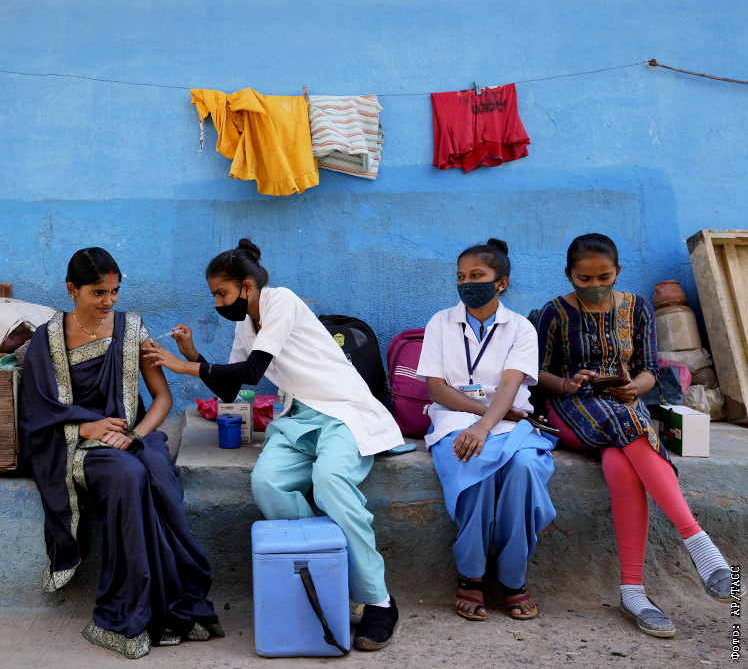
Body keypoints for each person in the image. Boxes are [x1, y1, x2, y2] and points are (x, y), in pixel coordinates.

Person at [144, 238, 404, 652]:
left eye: (221, 293)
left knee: (330, 480)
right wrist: (192, 354)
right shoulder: (244, 324)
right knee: (267, 483)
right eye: (214, 295)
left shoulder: (282, 301)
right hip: (298, 417)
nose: (218, 302)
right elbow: (231, 387)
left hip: (344, 412)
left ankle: (378, 599)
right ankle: (327, 571)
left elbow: (253, 369)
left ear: (247, 287)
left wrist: (184, 366)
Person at [18, 248, 221, 660]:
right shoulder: (47, 338)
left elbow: (162, 398)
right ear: (72, 290)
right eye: (98, 292)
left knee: (155, 470)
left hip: (132, 435)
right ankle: (123, 611)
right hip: (75, 444)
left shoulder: (132, 329)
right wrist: (85, 427)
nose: (108, 301)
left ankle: (176, 603)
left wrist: (134, 435)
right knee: (129, 475)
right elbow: (34, 412)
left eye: (114, 291)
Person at [536, 233, 733, 638]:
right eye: (584, 279)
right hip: (571, 406)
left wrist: (634, 388)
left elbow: (649, 370)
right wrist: (568, 383)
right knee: (629, 428)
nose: (594, 285)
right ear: (569, 274)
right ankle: (699, 544)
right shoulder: (554, 313)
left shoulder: (639, 308)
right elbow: (536, 374)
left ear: (618, 272)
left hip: (624, 406)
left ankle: (633, 592)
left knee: (621, 463)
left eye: (604, 277)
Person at [416, 239, 556, 622]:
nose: (467, 283)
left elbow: (510, 384)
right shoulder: (440, 322)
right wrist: (483, 419)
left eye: (477, 275)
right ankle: (471, 574)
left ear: (501, 283)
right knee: (473, 467)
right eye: (461, 277)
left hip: (511, 422)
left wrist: (488, 423)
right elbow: (437, 389)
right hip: (456, 417)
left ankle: (513, 576)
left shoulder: (521, 328)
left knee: (524, 470)